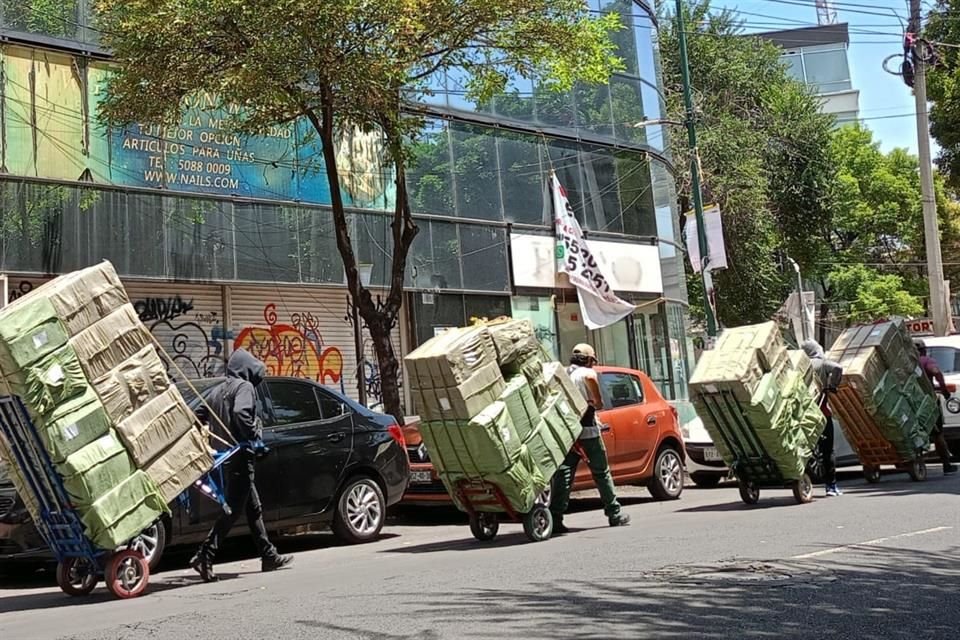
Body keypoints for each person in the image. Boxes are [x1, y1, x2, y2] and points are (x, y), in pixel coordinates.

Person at [190, 348, 293, 582]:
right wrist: (253, 439)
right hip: (241, 454)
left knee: (253, 507)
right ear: (247, 368)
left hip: (226, 456)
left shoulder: (218, 390)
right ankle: (205, 554)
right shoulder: (243, 387)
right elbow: (241, 413)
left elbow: (198, 414)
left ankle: (268, 555)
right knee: (234, 509)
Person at [550, 344, 631, 533]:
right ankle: (614, 513)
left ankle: (555, 517)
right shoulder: (586, 373)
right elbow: (590, 378)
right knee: (601, 472)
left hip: (568, 431)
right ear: (588, 360)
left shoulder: (562, 372)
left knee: (564, 474)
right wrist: (598, 400)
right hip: (588, 431)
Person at [802, 340, 843, 497]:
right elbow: (838, 368)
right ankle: (831, 486)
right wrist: (832, 385)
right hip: (821, 413)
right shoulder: (821, 363)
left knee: (806, 450)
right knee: (827, 450)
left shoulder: (799, 366)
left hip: (804, 416)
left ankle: (804, 483)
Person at [914, 340, 958, 475]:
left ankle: (917, 461)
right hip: (928, 403)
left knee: (914, 433)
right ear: (924, 350)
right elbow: (936, 371)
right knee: (938, 434)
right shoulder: (926, 360)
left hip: (910, 403)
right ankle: (946, 464)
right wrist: (944, 390)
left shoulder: (904, 364)